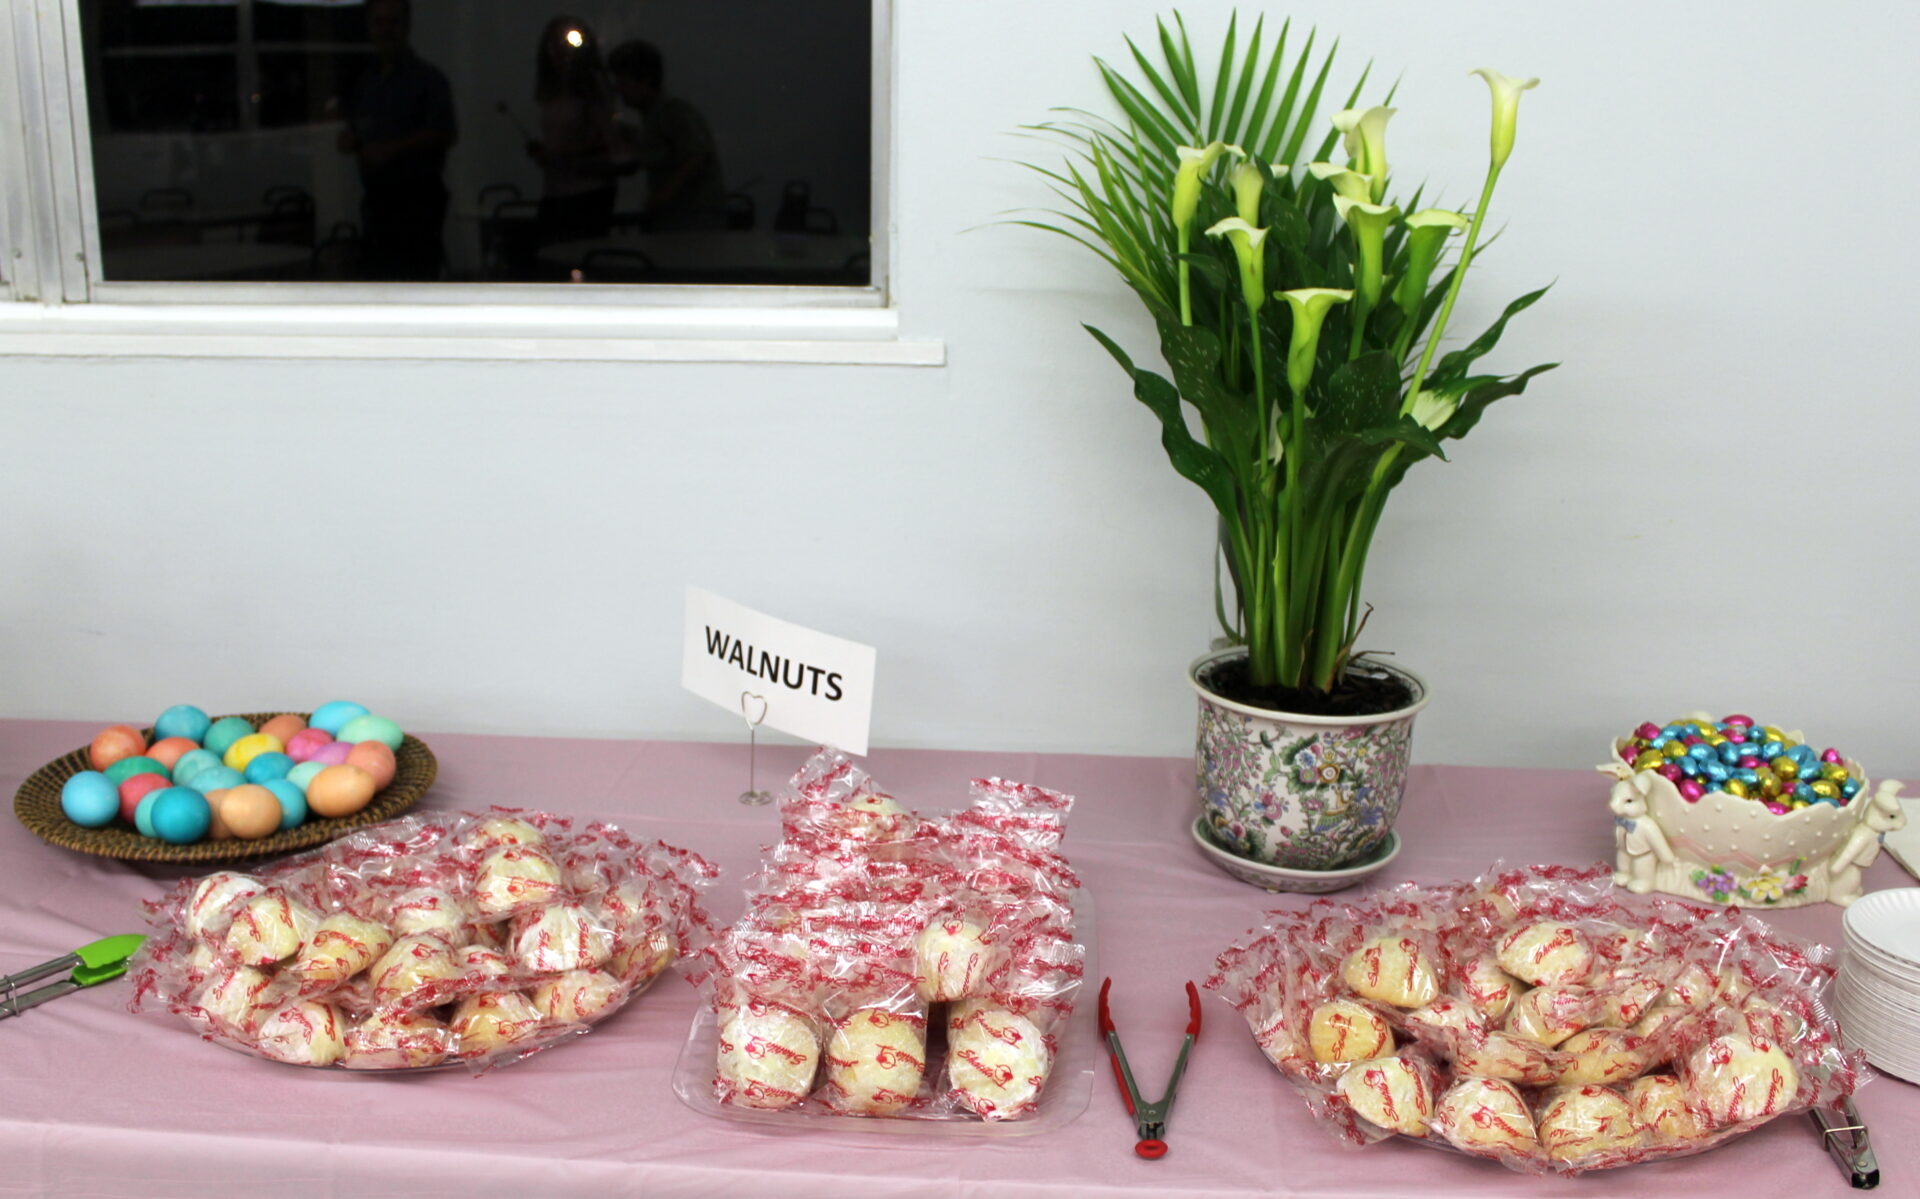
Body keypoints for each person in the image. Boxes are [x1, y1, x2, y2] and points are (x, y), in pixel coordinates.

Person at [337, 0, 456, 281]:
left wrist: (394, 149)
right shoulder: (366, 82)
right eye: (379, 22)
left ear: (407, 27)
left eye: (393, 21)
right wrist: (350, 141)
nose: (385, 29)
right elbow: (360, 130)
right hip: (376, 205)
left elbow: (445, 133)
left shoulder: (429, 79)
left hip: (417, 206)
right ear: (369, 27)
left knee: (415, 288)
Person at [526, 16, 623, 248]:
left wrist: (561, 155)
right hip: (556, 190)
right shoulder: (552, 90)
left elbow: (609, 140)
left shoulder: (594, 86)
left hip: (589, 192)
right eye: (553, 44)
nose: (559, 51)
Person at [607, 40, 726, 229]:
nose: (620, 90)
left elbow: (697, 156)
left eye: (624, 82)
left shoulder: (673, 111)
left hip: (693, 220)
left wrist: (660, 198)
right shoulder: (653, 117)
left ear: (645, 81)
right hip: (677, 218)